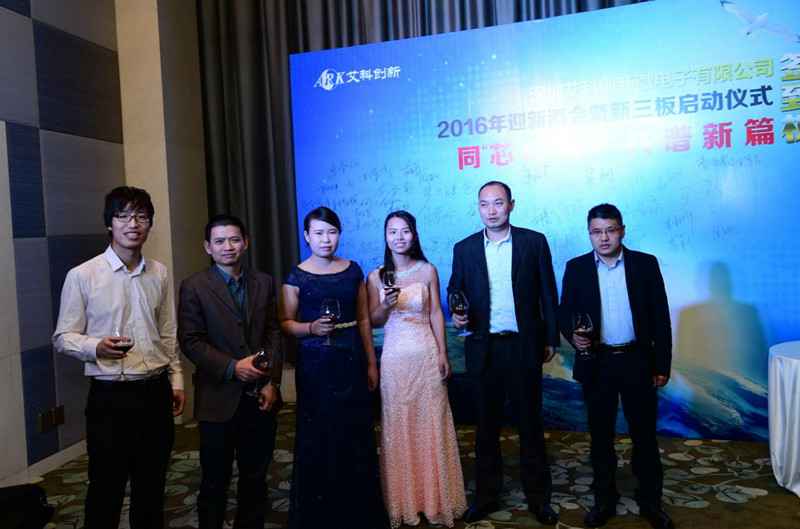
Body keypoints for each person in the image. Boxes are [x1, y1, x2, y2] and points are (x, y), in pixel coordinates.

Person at [52, 186, 184, 529]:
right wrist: (95, 347)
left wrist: (176, 380)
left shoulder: (159, 272)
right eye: (123, 216)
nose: (133, 224)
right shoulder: (83, 275)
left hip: (155, 391)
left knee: (152, 486)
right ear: (109, 223)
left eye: (141, 216)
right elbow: (63, 337)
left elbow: (168, 332)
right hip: (111, 396)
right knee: (106, 488)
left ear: (150, 223)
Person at [448, 181, 559, 525]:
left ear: (511, 205)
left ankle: (538, 499)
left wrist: (551, 338)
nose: (491, 210)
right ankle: (485, 497)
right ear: (478, 208)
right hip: (484, 348)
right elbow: (455, 289)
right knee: (485, 428)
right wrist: (456, 311)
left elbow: (548, 292)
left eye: (498, 203)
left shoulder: (533, 242)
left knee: (530, 425)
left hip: (523, 346)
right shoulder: (464, 248)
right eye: (484, 204)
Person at [558, 204, 674, 529]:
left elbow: (661, 317)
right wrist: (571, 335)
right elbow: (564, 312)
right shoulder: (576, 267)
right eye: (597, 232)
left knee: (644, 438)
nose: (604, 238)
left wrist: (662, 365)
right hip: (598, 362)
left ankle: (651, 503)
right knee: (600, 438)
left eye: (610, 230)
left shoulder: (645, 264)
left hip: (638, 361)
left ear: (622, 230)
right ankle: (604, 501)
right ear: (589, 234)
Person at [279, 206, 389, 529]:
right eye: (318, 233)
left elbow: (364, 319)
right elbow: (285, 323)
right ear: (306, 236)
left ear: (339, 234)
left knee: (355, 435)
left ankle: (359, 514)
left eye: (331, 232)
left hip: (351, 361)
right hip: (315, 367)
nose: (325, 239)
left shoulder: (353, 271)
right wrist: (311, 328)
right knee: (319, 437)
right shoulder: (296, 276)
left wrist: (371, 363)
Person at [178, 214, 283, 529]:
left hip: (260, 397)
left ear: (245, 243)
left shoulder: (264, 282)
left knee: (255, 478)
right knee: (214, 481)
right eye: (220, 241)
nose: (228, 247)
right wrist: (232, 367)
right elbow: (191, 341)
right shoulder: (194, 286)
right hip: (217, 399)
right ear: (207, 247)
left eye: (235, 239)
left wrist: (272, 382)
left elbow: (273, 333)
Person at [367, 211, 467, 528]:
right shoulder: (376, 276)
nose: (399, 237)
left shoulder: (427, 270)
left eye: (405, 231)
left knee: (432, 423)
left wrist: (443, 353)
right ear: (385, 236)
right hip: (395, 359)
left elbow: (436, 312)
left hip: (425, 355)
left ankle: (435, 500)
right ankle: (405, 502)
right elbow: (373, 320)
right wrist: (385, 304)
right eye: (393, 231)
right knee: (399, 425)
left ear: (414, 234)